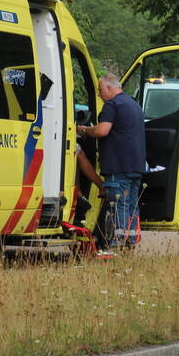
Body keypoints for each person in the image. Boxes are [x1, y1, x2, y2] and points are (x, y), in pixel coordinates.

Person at [77, 74, 146, 251]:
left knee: (118, 205)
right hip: (136, 166)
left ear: (109, 88)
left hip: (118, 166)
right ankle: (129, 243)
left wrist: (84, 130)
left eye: (100, 89)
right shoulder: (134, 105)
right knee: (131, 205)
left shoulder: (112, 104)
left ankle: (115, 244)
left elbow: (102, 130)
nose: (99, 94)